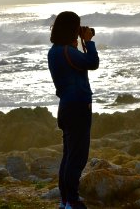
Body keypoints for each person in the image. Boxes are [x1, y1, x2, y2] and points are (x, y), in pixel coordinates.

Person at [48, 11, 99, 209]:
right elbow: (92, 63)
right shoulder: (68, 52)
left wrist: (79, 43)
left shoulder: (55, 51)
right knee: (77, 157)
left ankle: (65, 201)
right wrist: (89, 42)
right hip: (78, 108)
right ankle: (73, 200)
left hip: (66, 108)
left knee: (68, 156)